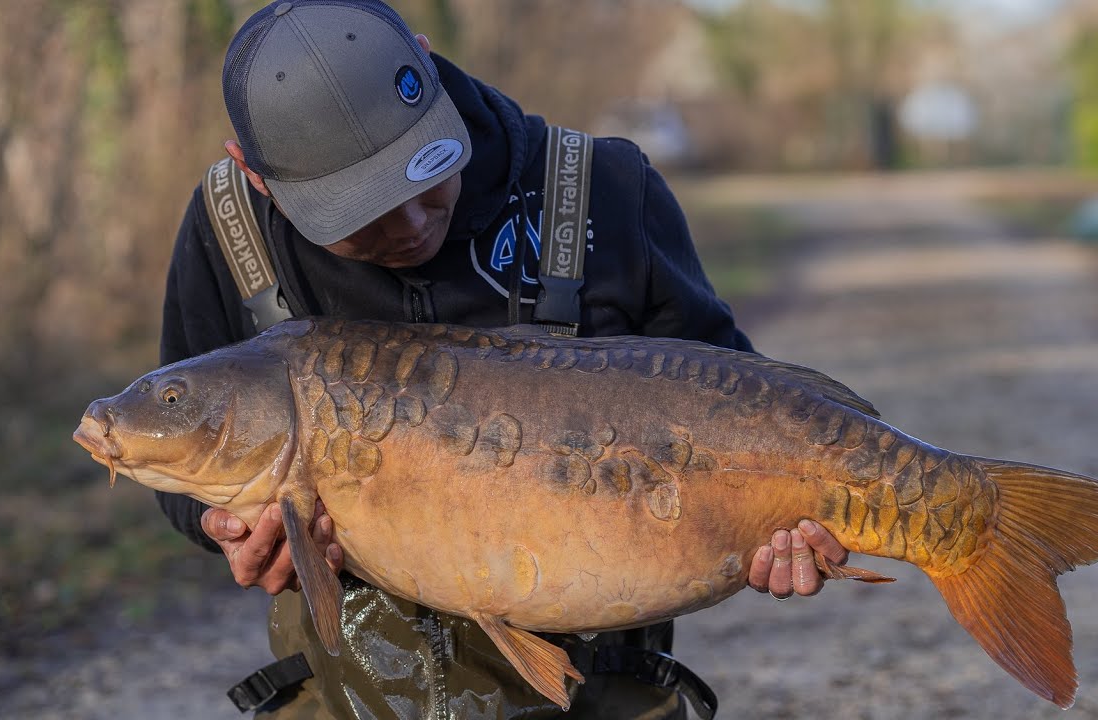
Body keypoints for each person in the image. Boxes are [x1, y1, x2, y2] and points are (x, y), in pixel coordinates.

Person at [157, 1, 849, 717]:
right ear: (258, 175)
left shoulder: (607, 190)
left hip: (599, 682)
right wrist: (227, 529)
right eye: (360, 218)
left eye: (425, 179)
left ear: (426, 70)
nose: (411, 225)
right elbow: (181, 467)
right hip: (351, 690)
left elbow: (749, 412)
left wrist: (792, 519)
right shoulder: (228, 231)